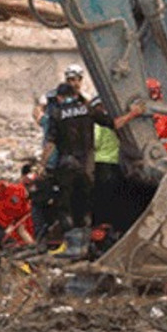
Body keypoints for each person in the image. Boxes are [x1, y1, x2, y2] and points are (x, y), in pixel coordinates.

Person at [40, 81, 112, 243]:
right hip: (87, 165)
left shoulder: (57, 114)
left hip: (67, 165)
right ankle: (85, 239)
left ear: (59, 97)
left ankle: (70, 241)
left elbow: (50, 143)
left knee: (65, 205)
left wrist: (42, 164)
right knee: (85, 204)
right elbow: (113, 123)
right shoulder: (88, 109)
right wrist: (133, 114)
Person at [91, 97, 148, 232]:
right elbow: (115, 126)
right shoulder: (98, 125)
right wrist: (133, 113)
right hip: (105, 165)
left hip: (107, 165)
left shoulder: (98, 124)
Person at [147, 78, 167, 153]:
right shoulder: (164, 111)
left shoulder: (160, 115)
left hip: (161, 153)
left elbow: (151, 136)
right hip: (164, 152)